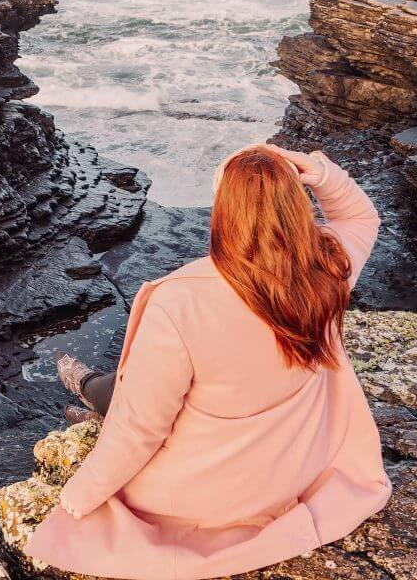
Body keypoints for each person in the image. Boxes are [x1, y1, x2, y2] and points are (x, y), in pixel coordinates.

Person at [24, 144, 392, 580]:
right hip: (290, 471)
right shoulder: (329, 268)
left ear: (223, 210)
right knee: (128, 388)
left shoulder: (182, 300)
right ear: (297, 205)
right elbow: (362, 218)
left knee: (127, 396)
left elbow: (142, 429)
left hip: (208, 496)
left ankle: (85, 393)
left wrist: (79, 496)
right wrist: (321, 173)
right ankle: (89, 392)